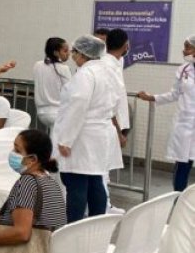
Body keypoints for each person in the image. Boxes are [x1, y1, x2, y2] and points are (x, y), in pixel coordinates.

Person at [52, 35, 120, 223]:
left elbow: (78, 107)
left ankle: (73, 226)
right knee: (95, 180)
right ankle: (96, 224)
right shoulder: (107, 72)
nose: (73, 55)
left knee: (77, 183)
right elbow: (116, 102)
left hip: (83, 136)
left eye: (75, 52)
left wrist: (66, 139)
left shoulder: (85, 74)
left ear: (83, 54)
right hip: (100, 134)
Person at [137, 35, 195, 191]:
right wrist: (152, 98)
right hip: (185, 123)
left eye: (188, 47)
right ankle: (177, 198)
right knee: (182, 163)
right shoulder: (183, 69)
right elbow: (174, 94)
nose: (184, 50)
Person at [103, 29, 131, 212]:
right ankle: (103, 206)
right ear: (125, 45)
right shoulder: (107, 66)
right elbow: (110, 103)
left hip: (109, 123)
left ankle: (105, 203)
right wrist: (118, 129)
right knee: (102, 169)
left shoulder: (114, 63)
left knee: (104, 168)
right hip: (107, 124)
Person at [32, 37, 71, 129]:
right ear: (56, 53)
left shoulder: (38, 65)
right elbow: (69, 90)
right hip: (57, 112)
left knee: (53, 137)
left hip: (41, 112)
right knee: (57, 140)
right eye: (65, 51)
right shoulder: (63, 68)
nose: (69, 53)